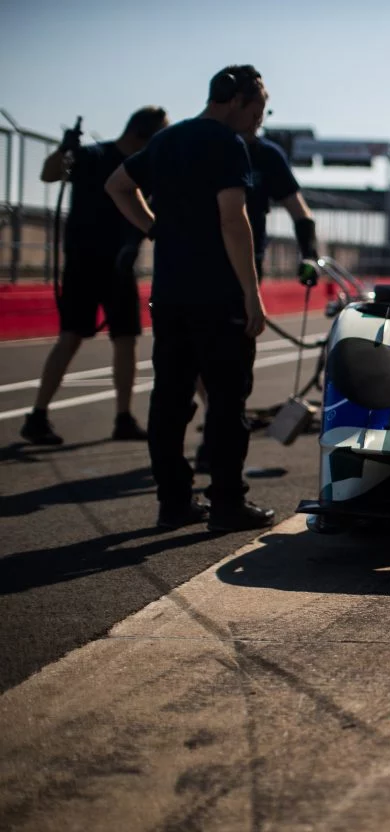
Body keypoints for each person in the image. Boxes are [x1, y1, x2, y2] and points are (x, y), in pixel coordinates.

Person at [105, 64, 275, 532]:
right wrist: (251, 293)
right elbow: (232, 220)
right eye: (257, 109)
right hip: (218, 295)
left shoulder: (167, 139)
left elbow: (117, 185)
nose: (259, 120)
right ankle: (226, 504)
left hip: (170, 293)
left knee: (170, 400)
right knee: (226, 400)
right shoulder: (227, 143)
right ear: (236, 101)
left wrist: (155, 229)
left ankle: (174, 502)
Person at [20, 107, 169, 446]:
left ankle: (123, 417)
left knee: (127, 339)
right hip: (84, 264)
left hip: (120, 265)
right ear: (140, 135)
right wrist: (64, 150)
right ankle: (38, 415)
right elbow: (48, 174)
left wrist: (139, 239)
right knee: (71, 336)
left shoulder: (144, 168)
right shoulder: (94, 156)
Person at [193, 123, 319, 473]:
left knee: (231, 360)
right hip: (194, 266)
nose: (258, 119)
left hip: (244, 268)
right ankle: (213, 428)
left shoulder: (266, 155)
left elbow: (300, 211)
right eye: (256, 110)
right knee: (194, 359)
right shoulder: (195, 144)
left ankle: (218, 443)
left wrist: (309, 254)